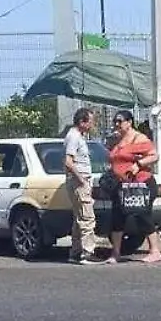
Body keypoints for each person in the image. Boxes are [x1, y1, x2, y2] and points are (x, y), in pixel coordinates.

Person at [105, 110, 161, 264]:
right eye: (115, 121)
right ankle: (115, 253)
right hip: (122, 186)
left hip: (141, 184)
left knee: (142, 215)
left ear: (129, 122)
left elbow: (154, 155)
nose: (117, 124)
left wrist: (138, 164)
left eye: (120, 121)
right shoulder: (118, 140)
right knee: (117, 217)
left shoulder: (139, 138)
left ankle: (155, 251)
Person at [63, 107, 97, 265]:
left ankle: (75, 253)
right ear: (82, 121)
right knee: (87, 217)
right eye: (90, 121)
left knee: (79, 218)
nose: (92, 125)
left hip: (78, 182)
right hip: (78, 182)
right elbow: (69, 162)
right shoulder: (74, 137)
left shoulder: (77, 136)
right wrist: (82, 180)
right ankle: (87, 252)